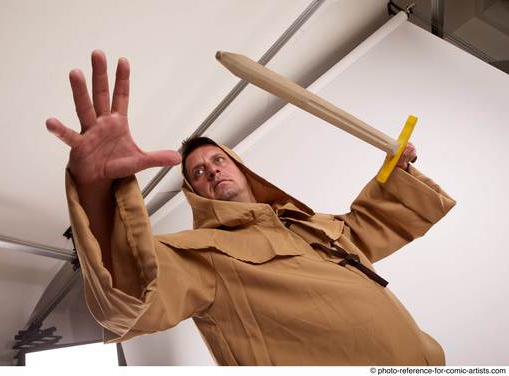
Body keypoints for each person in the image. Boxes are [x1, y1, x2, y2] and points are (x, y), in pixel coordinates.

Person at [46, 50, 456, 365]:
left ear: (240, 167)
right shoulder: (204, 256)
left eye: (217, 160)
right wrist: (97, 190)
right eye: (197, 172)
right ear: (196, 194)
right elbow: (129, 291)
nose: (210, 171)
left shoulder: (310, 226)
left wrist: (396, 169)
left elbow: (370, 224)